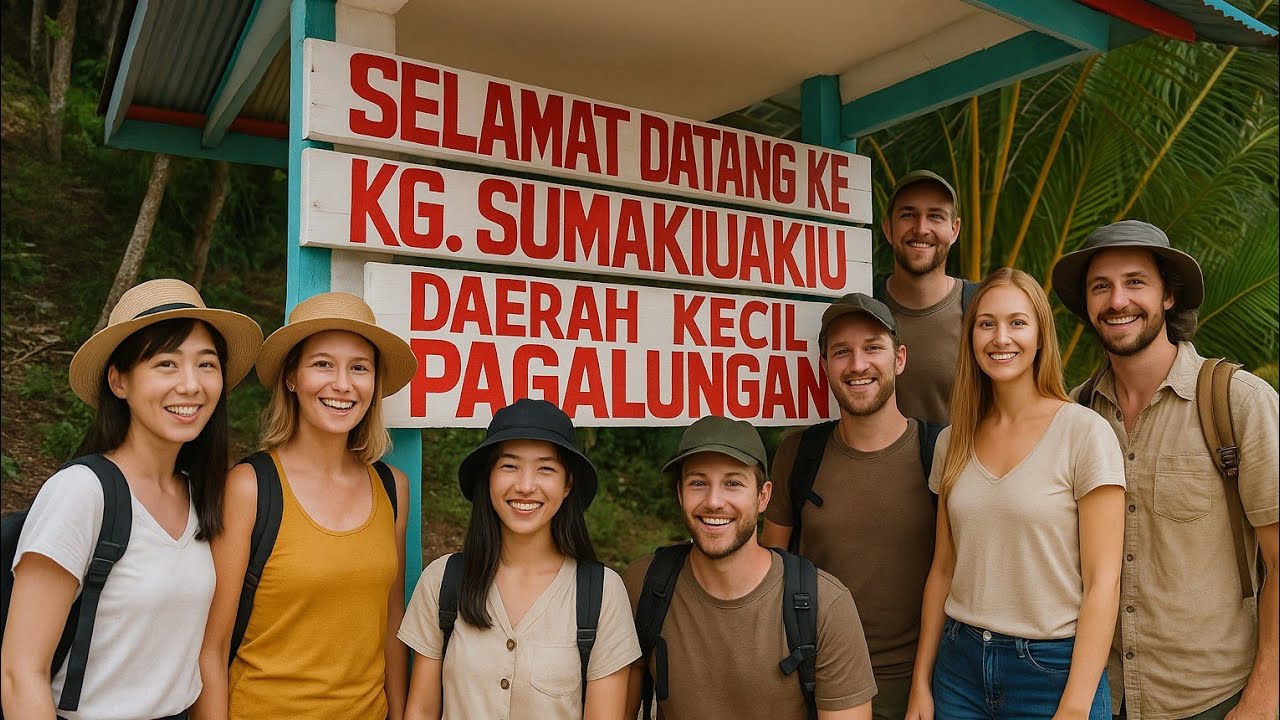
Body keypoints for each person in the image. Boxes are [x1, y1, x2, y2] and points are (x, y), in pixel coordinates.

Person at [2, 279, 262, 720]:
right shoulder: (82, 492)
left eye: (206, 364)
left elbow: (197, 662)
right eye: (165, 364)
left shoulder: (202, 495)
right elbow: (20, 672)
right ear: (119, 381)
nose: (191, 384)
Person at [1050, 220, 1278, 720]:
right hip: (1103, 697)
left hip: (1214, 700)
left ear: (1168, 296)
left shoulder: (1238, 402)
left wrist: (1263, 699)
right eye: (1100, 287)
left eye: (1135, 282)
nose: (1117, 301)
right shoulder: (1075, 416)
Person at [905, 268, 1125, 719]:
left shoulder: (1084, 433)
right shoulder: (953, 441)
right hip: (959, 669)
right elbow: (942, 571)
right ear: (970, 338)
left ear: (1042, 335)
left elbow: (1103, 583)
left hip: (1052, 672)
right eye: (986, 323)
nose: (1000, 337)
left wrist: (1076, 706)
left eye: (1017, 322)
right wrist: (920, 685)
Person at [194, 292, 418, 720]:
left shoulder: (393, 488)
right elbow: (211, 648)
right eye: (322, 364)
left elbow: (391, 626)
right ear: (291, 377)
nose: (343, 384)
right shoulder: (249, 487)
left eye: (359, 368)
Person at [398, 398, 640, 719]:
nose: (526, 486)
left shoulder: (602, 592)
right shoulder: (443, 580)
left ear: (567, 484)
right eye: (509, 466)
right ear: (488, 477)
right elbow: (421, 710)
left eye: (546, 468)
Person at [624, 415, 877, 720]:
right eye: (698, 483)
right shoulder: (643, 585)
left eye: (733, 483)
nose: (714, 501)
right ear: (680, 493)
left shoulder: (825, 605)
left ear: (763, 496)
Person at [761, 292, 937, 720]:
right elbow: (771, 570)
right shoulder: (799, 454)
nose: (858, 365)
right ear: (826, 367)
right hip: (816, 680)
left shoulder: (939, 450)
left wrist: (923, 685)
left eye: (872, 348)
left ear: (899, 358)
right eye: (842, 352)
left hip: (917, 686)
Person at [875, 170, 976, 425]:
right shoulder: (862, 309)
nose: (921, 229)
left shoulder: (981, 309)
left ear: (954, 230)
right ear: (888, 228)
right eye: (908, 215)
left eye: (935, 216)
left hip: (959, 464)